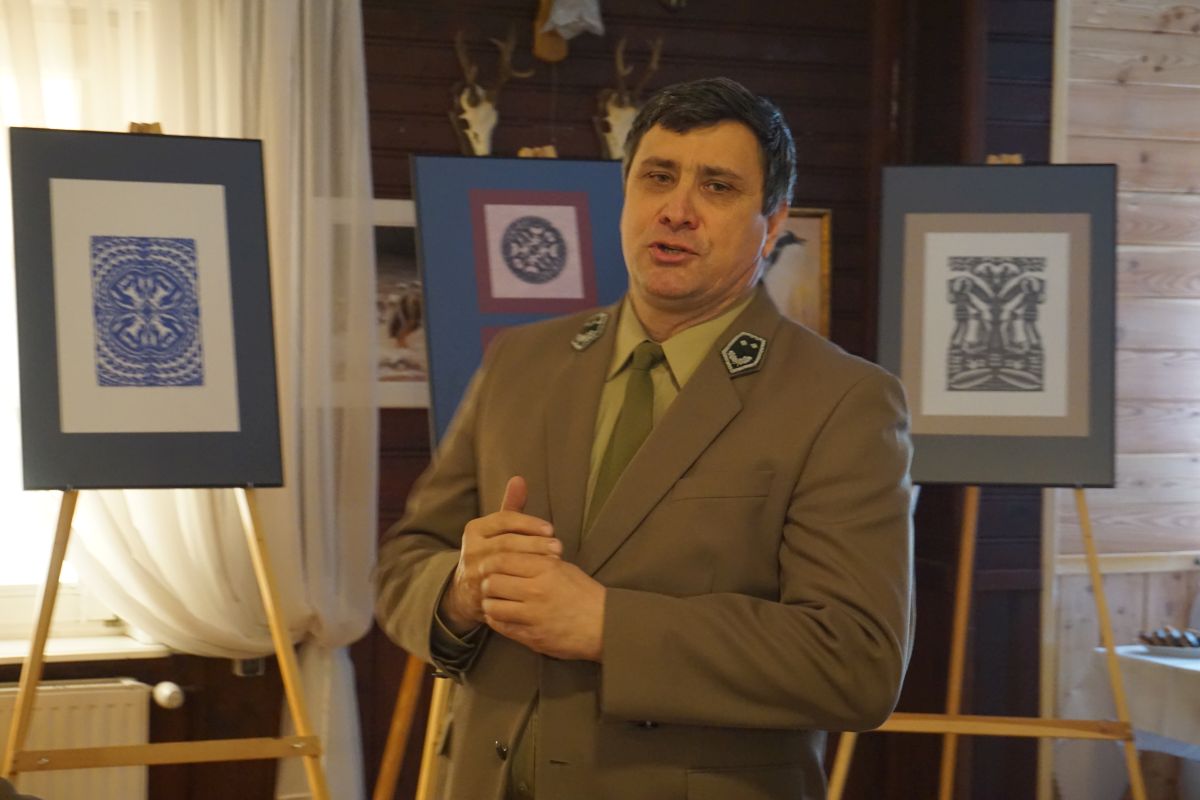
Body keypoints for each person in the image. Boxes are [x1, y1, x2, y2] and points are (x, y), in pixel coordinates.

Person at [375, 76, 914, 800]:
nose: (677, 210)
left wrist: (608, 626)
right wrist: (462, 591)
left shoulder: (841, 401)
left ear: (773, 223)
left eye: (717, 187)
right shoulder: (521, 360)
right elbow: (405, 564)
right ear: (625, 195)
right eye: (657, 177)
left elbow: (857, 663)